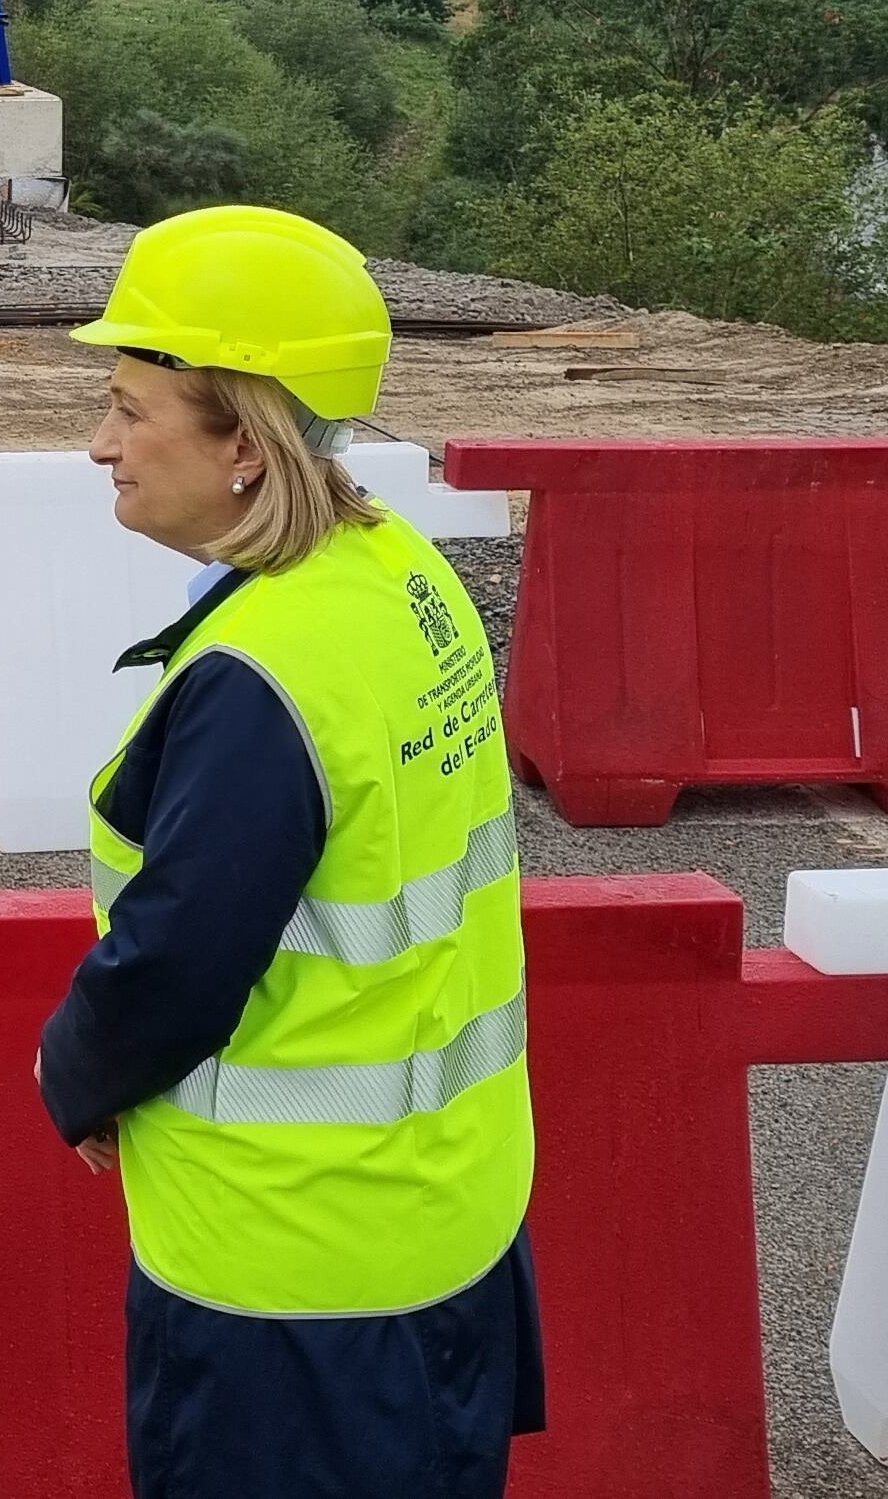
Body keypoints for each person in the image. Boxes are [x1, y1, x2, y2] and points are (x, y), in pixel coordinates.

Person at [32, 204, 541, 1499]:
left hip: (288, 1286)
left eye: (131, 409)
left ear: (246, 446)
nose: (100, 444)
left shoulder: (264, 680)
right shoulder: (402, 576)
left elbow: (176, 965)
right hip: (447, 1226)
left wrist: (74, 1073)